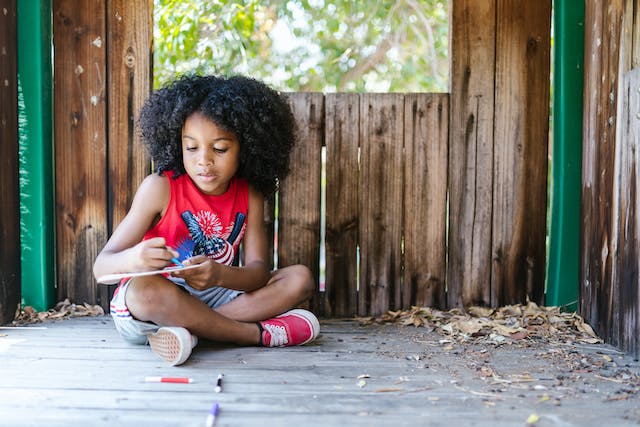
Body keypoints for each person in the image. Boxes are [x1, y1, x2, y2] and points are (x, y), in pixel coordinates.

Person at [93, 74, 319, 366]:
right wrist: (136, 259)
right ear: (178, 145)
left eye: (220, 149)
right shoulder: (159, 188)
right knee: (144, 292)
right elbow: (102, 267)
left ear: (246, 148)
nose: (204, 160)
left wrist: (219, 276)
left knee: (299, 278)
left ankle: (191, 331)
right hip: (157, 302)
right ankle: (249, 335)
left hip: (216, 295)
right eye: (192, 147)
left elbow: (258, 273)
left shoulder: (249, 194)